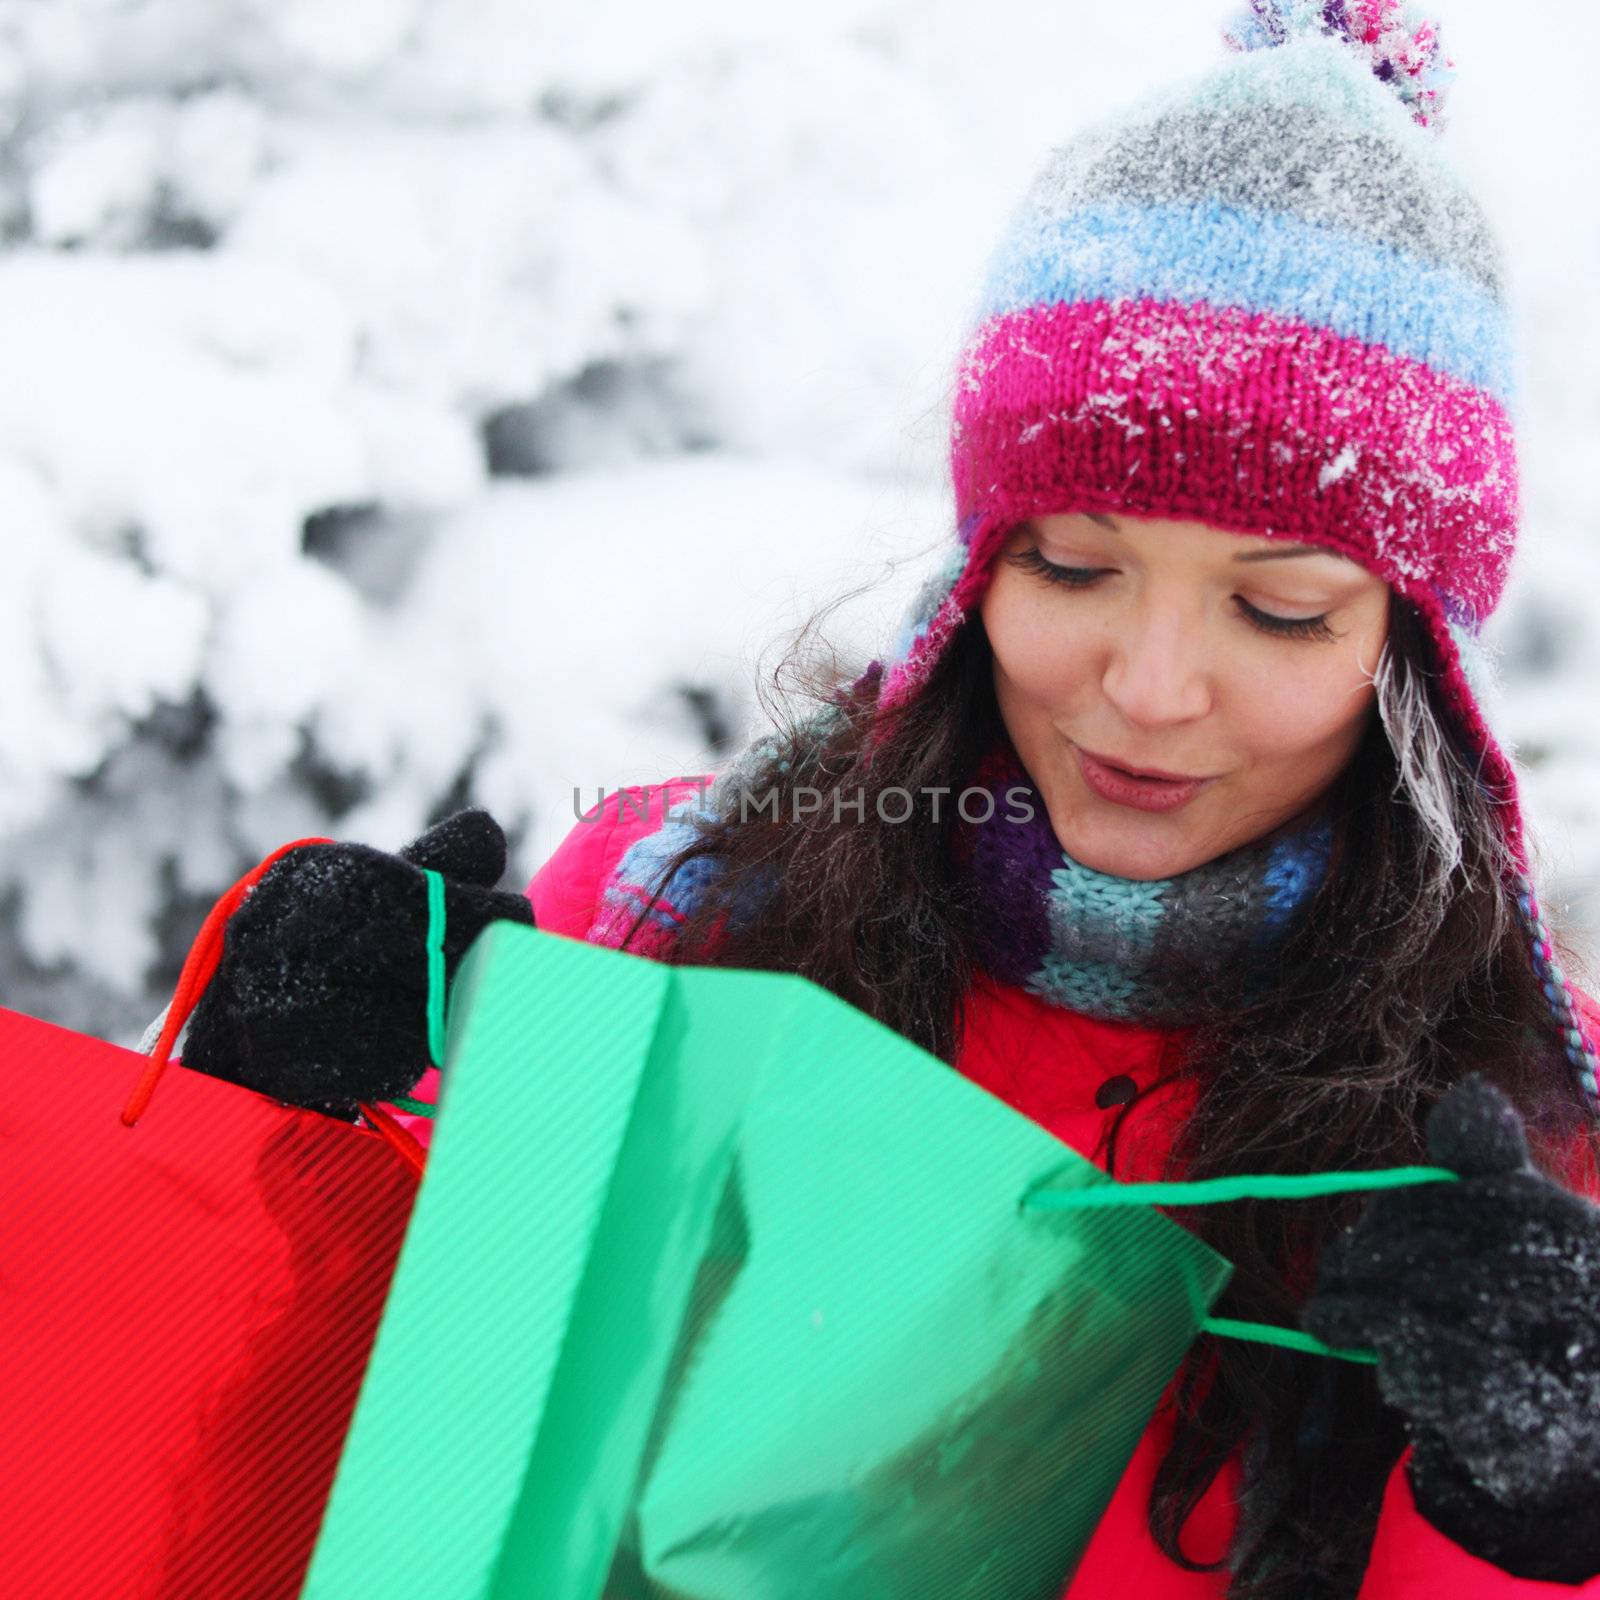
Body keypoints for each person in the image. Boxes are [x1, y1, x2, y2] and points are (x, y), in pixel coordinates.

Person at [179, 5, 1600, 1595]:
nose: (1146, 686)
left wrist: (1548, 1525)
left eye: (1278, 612)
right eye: (1071, 567)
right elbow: (325, 1482)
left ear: (1422, 666)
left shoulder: (1543, 1154)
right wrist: (280, 1154)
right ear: (972, 574)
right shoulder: (670, 922)